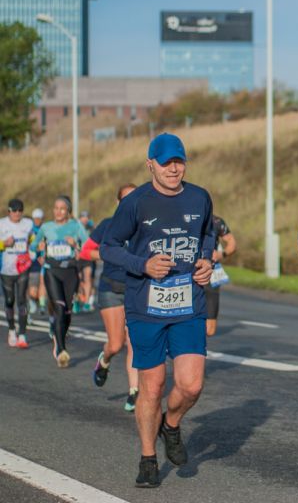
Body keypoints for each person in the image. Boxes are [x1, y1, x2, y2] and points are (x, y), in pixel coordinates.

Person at [100, 133, 214, 488]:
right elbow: (109, 246)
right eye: (165, 163)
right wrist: (142, 265)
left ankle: (172, 424)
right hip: (145, 305)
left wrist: (207, 260)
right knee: (152, 387)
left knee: (191, 385)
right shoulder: (135, 203)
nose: (173, 169)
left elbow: (208, 233)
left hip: (188, 303)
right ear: (150, 164)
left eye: (178, 161)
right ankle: (148, 458)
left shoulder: (199, 197)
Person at [85, 183, 139, 412]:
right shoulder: (108, 225)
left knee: (134, 342)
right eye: (125, 199)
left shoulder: (145, 227)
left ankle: (134, 391)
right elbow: (85, 250)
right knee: (116, 344)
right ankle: (104, 361)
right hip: (110, 289)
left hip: (136, 289)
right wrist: (110, 254)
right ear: (118, 203)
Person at [32, 195, 87, 368]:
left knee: (68, 312)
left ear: (68, 211)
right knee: (59, 309)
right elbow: (33, 247)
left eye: (62, 208)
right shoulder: (46, 227)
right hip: (52, 271)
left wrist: (76, 246)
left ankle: (60, 339)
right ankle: (61, 349)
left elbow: (87, 247)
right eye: (56, 208)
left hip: (70, 272)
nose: (58, 211)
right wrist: (39, 251)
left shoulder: (76, 226)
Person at [0, 199, 36, 348]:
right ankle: (12, 330)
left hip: (23, 267)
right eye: (14, 211)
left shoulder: (28, 224)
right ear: (9, 211)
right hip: (6, 269)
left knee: (22, 299)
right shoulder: (2, 224)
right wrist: (3, 244)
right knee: (10, 300)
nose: (17, 213)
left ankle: (22, 334)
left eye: (20, 210)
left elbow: (33, 240)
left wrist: (33, 251)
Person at [204, 214, 237, 337]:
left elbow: (232, 242)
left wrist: (221, 254)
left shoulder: (216, 221)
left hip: (212, 273)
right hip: (189, 273)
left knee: (210, 330)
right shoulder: (183, 218)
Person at [27, 208, 47, 314]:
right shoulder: (29, 230)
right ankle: (33, 301)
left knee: (43, 282)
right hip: (32, 261)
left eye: (39, 218)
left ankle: (42, 305)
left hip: (43, 261)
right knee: (33, 290)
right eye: (36, 218)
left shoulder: (46, 229)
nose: (37, 220)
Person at [77, 211, 97, 312]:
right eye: (83, 217)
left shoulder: (91, 228)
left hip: (88, 256)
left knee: (88, 278)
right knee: (78, 280)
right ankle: (77, 299)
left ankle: (87, 303)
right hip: (77, 257)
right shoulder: (75, 227)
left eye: (86, 217)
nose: (85, 219)